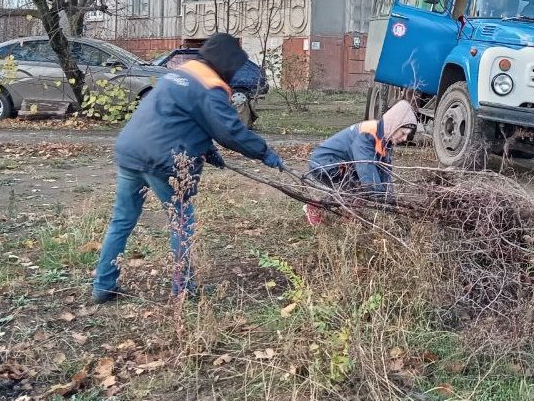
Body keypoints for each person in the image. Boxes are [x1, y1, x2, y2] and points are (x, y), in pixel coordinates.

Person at [92, 33, 284, 304]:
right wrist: (265, 153)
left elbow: (182, 117)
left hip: (130, 152)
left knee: (122, 221)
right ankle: (183, 290)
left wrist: (209, 149)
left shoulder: (180, 73)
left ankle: (102, 286)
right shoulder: (210, 86)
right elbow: (230, 131)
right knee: (182, 224)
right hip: (164, 161)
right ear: (226, 62)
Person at [305, 100, 418, 225]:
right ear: (394, 125)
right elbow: (368, 175)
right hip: (324, 163)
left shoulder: (386, 140)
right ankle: (315, 207)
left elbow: (385, 174)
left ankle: (348, 215)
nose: (405, 139)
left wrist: (392, 201)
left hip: (342, 164)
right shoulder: (367, 135)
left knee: (360, 189)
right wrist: (386, 203)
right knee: (361, 188)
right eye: (403, 133)